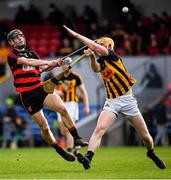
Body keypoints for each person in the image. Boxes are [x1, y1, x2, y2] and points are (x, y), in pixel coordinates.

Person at [63, 25, 166, 169]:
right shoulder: (101, 61)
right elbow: (95, 69)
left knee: (146, 137)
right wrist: (92, 57)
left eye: (100, 45)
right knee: (99, 129)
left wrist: (76, 35)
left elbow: (94, 46)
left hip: (128, 101)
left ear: (107, 46)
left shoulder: (112, 55)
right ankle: (88, 158)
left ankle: (151, 153)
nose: (98, 46)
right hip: (112, 102)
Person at [6, 29, 88, 161]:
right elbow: (28, 62)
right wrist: (48, 62)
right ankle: (58, 149)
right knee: (44, 126)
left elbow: (43, 69)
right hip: (27, 96)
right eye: (16, 38)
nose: (20, 38)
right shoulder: (12, 56)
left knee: (63, 109)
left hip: (40, 88)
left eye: (21, 35)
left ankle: (77, 138)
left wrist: (55, 64)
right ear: (11, 42)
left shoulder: (32, 53)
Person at [54, 66, 90, 152]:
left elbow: (83, 91)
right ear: (62, 66)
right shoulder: (58, 77)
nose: (66, 66)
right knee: (63, 130)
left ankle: (70, 148)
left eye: (68, 64)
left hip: (72, 103)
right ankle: (73, 145)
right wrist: (57, 92)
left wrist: (86, 106)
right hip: (60, 103)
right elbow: (52, 89)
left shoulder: (76, 77)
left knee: (70, 125)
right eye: (64, 64)